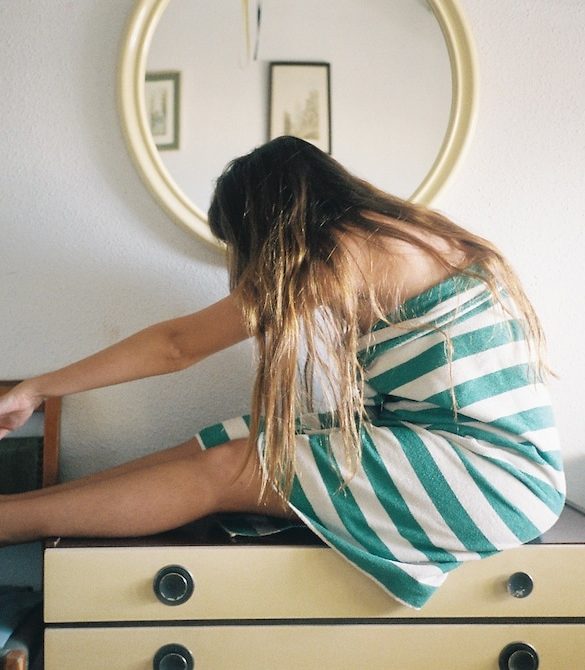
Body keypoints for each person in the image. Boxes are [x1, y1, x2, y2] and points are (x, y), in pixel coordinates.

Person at [0, 136, 565, 609]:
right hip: (461, 453)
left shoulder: (345, 253)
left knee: (234, 466)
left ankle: (11, 522)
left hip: (497, 480)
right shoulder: (392, 233)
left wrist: (37, 388)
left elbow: (177, 346)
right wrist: (38, 389)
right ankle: (23, 511)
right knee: (230, 436)